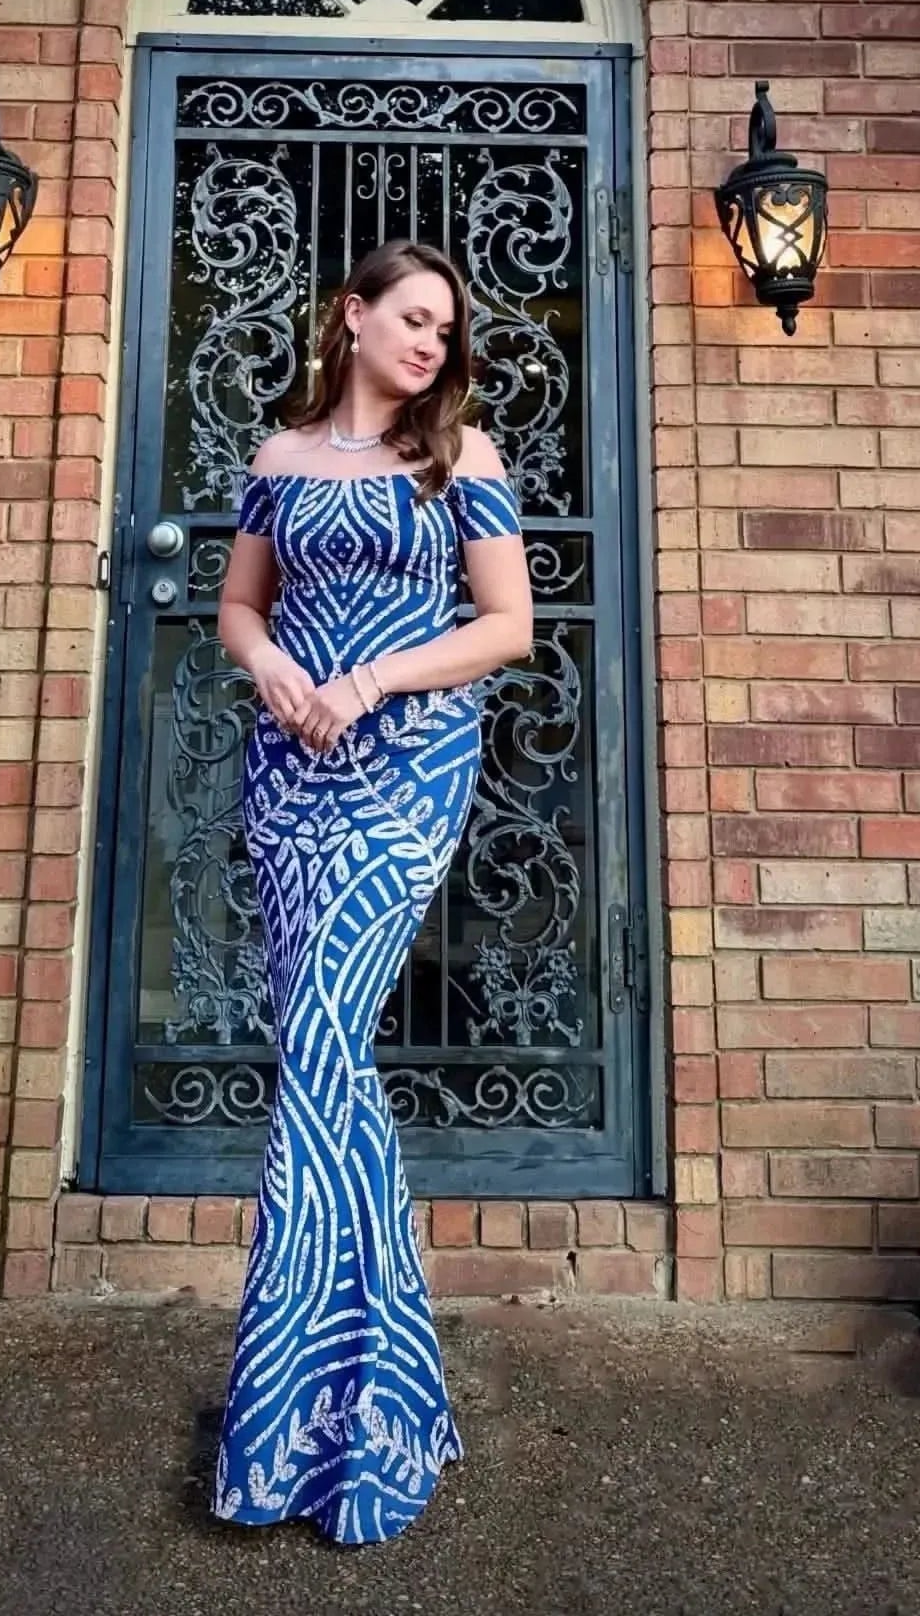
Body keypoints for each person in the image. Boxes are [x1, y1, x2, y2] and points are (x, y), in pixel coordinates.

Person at [211, 239, 534, 1545]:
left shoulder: (463, 460)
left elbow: (509, 627)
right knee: (320, 1059)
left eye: (446, 330)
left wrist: (370, 681)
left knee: (325, 1048)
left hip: (405, 779)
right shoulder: (279, 460)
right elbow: (238, 604)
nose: (432, 345)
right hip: (286, 777)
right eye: (412, 319)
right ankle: (375, 1406)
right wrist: (273, 666)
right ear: (352, 317)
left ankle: (307, 1424)